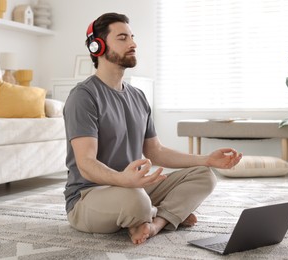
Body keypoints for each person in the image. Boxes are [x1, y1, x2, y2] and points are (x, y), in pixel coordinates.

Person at [63, 12, 242, 245]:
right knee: (136, 201)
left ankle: (155, 223)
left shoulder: (138, 96)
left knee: (205, 176)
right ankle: (164, 213)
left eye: (132, 37)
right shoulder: (84, 96)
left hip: (133, 187)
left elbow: (156, 152)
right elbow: (86, 164)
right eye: (122, 38)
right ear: (98, 46)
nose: (133, 43)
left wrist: (206, 159)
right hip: (89, 196)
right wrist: (124, 181)